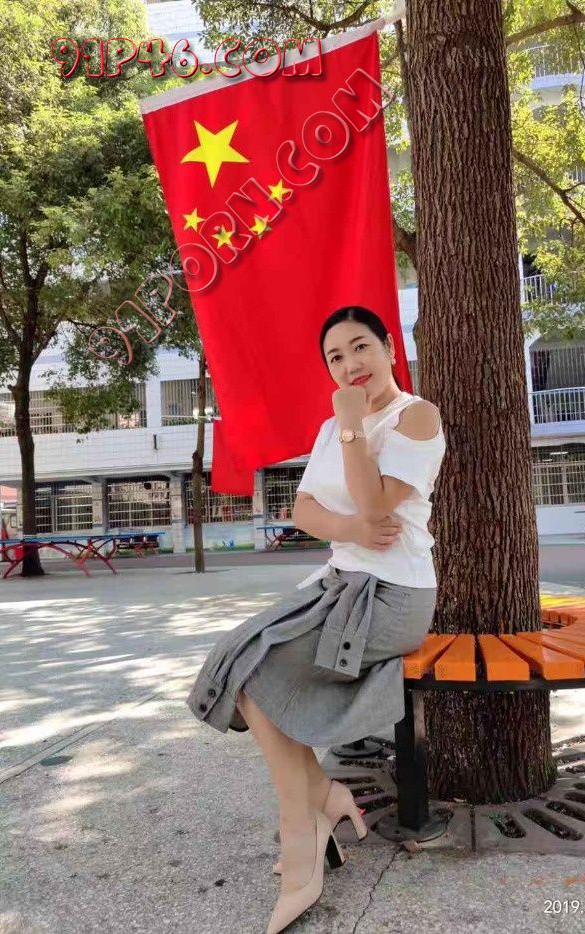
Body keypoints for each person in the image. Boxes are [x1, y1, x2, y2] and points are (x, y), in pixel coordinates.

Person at [186, 305, 446, 933]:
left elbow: (377, 504)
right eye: (336, 356)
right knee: (239, 658)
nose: (350, 364)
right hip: (339, 582)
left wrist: (354, 428)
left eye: (361, 347)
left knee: (258, 673)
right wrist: (350, 528)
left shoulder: (415, 416)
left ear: (389, 347)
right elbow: (304, 509)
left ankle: (300, 829)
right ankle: (322, 798)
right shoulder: (333, 424)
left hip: (395, 595)